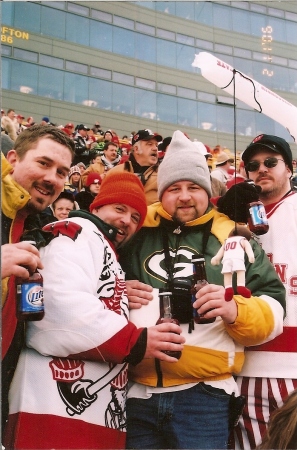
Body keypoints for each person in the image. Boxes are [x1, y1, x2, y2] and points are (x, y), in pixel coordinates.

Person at [119, 130, 286, 450]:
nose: (184, 196)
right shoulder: (136, 232)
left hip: (205, 398)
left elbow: (274, 304)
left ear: (207, 190)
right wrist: (116, 289)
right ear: (161, 192)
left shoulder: (234, 235)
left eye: (193, 187)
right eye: (174, 187)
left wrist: (236, 309)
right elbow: (97, 284)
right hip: (137, 395)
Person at [3, 172, 185, 450]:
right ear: (96, 208)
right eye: (120, 209)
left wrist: (120, 289)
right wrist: (138, 340)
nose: (127, 220)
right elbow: (57, 306)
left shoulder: (102, 246)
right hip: (52, 410)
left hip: (88, 411)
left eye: (136, 217)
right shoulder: (75, 230)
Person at [217, 134, 297, 449]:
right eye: (253, 165)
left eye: (271, 162)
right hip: (242, 366)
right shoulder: (236, 215)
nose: (261, 169)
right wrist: (224, 213)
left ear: (289, 168)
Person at [1, 124, 75, 436]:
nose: (52, 178)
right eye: (43, 163)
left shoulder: (43, 228)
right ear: (14, 158)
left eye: (61, 172)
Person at [107, 128, 162, 205]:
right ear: (136, 149)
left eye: (156, 145)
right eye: (150, 144)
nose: (155, 148)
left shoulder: (163, 176)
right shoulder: (115, 173)